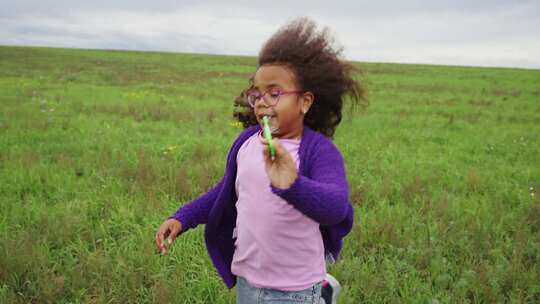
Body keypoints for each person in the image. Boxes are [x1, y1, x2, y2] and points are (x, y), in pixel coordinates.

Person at [155, 17, 365, 304]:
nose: (262, 102)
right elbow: (228, 189)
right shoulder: (248, 143)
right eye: (257, 94)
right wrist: (183, 217)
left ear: (305, 101)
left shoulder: (317, 151)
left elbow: (335, 207)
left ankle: (321, 293)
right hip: (248, 281)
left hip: (295, 290)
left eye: (275, 93)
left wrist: (292, 183)